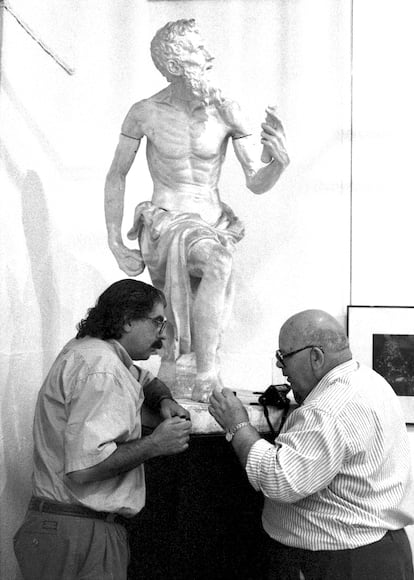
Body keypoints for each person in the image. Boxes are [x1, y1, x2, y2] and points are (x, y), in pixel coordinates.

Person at [104, 18, 289, 403]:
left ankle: (196, 364)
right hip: (166, 223)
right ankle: (204, 369)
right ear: (174, 66)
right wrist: (114, 241)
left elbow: (256, 181)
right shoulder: (145, 113)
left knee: (216, 262)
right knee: (216, 263)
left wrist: (278, 164)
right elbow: (116, 176)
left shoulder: (227, 111)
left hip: (212, 221)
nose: (209, 56)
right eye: (197, 50)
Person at [209, 309, 414, 580]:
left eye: (284, 357)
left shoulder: (329, 409)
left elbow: (279, 479)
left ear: (315, 357)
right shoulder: (368, 381)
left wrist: (237, 425)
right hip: (377, 551)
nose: (281, 367)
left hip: (342, 562)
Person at [13, 279, 191, 580]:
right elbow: (85, 468)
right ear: (127, 321)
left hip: (61, 530)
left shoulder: (91, 352)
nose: (161, 337)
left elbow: (145, 380)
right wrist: (155, 445)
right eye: (157, 322)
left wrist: (163, 399)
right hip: (82, 536)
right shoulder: (103, 369)